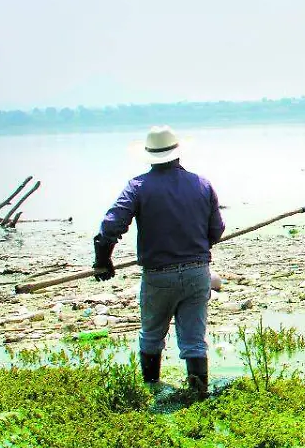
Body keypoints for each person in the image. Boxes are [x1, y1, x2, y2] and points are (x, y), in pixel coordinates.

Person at [93, 126, 224, 399]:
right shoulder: (202, 184)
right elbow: (216, 231)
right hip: (197, 273)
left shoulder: (138, 187)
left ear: (150, 157)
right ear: (178, 154)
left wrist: (103, 260)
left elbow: (111, 226)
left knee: (152, 335)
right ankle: (198, 396)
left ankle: (152, 390)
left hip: (158, 276)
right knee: (194, 340)